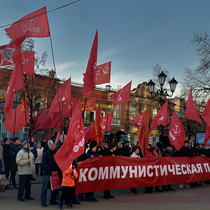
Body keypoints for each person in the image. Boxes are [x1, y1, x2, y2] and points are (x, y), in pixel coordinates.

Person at [41, 140, 60, 207]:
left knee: (54, 187)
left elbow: (59, 162)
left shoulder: (57, 153)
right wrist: (51, 171)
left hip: (55, 172)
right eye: (51, 145)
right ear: (49, 146)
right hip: (47, 173)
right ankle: (43, 201)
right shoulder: (45, 154)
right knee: (45, 187)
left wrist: (57, 170)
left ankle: (53, 200)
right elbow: (44, 164)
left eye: (54, 145)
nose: (53, 146)